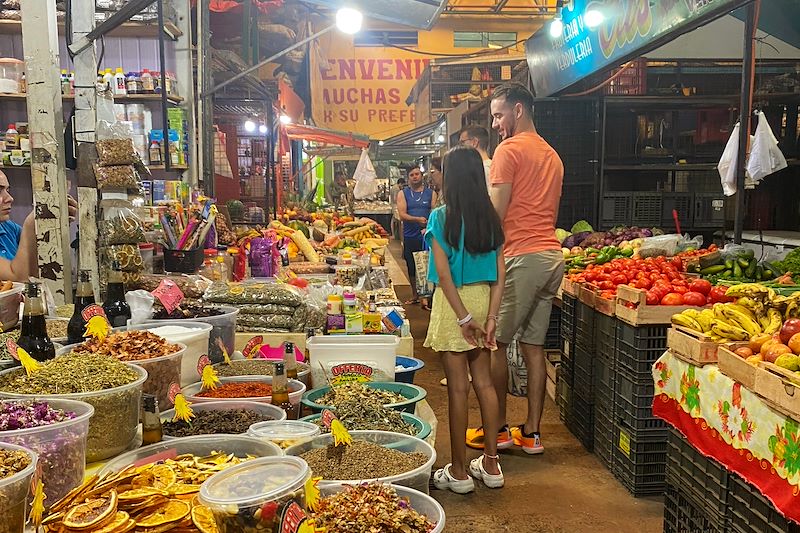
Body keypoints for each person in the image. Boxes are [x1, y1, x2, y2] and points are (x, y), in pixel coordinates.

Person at [466, 82, 564, 455]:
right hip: (550, 258)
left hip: (520, 257)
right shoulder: (552, 155)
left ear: (518, 110)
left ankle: (500, 429)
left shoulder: (509, 150)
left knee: (494, 344)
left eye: (498, 115)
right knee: (533, 348)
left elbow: (497, 214)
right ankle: (532, 434)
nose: (495, 124)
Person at [425, 146, 506, 494]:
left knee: (458, 389)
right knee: (484, 384)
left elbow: (443, 276)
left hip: (455, 304)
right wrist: (489, 317)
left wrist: (464, 317)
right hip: (484, 299)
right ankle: (491, 464)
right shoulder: (491, 218)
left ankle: (458, 472)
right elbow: (501, 276)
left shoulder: (440, 218)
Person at [396, 166, 436, 304]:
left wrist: (428, 225)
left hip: (427, 235)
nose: (415, 177)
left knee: (428, 265)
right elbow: (402, 214)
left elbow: (435, 212)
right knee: (412, 266)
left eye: (417, 174)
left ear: (422, 175)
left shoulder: (431, 194)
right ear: (408, 177)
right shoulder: (403, 194)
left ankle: (428, 294)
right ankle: (415, 294)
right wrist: (417, 219)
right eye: (412, 174)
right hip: (410, 235)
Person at [459, 125, 492, 189]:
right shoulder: (491, 166)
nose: (460, 147)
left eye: (462, 142)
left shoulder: (484, 169)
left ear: (474, 142)